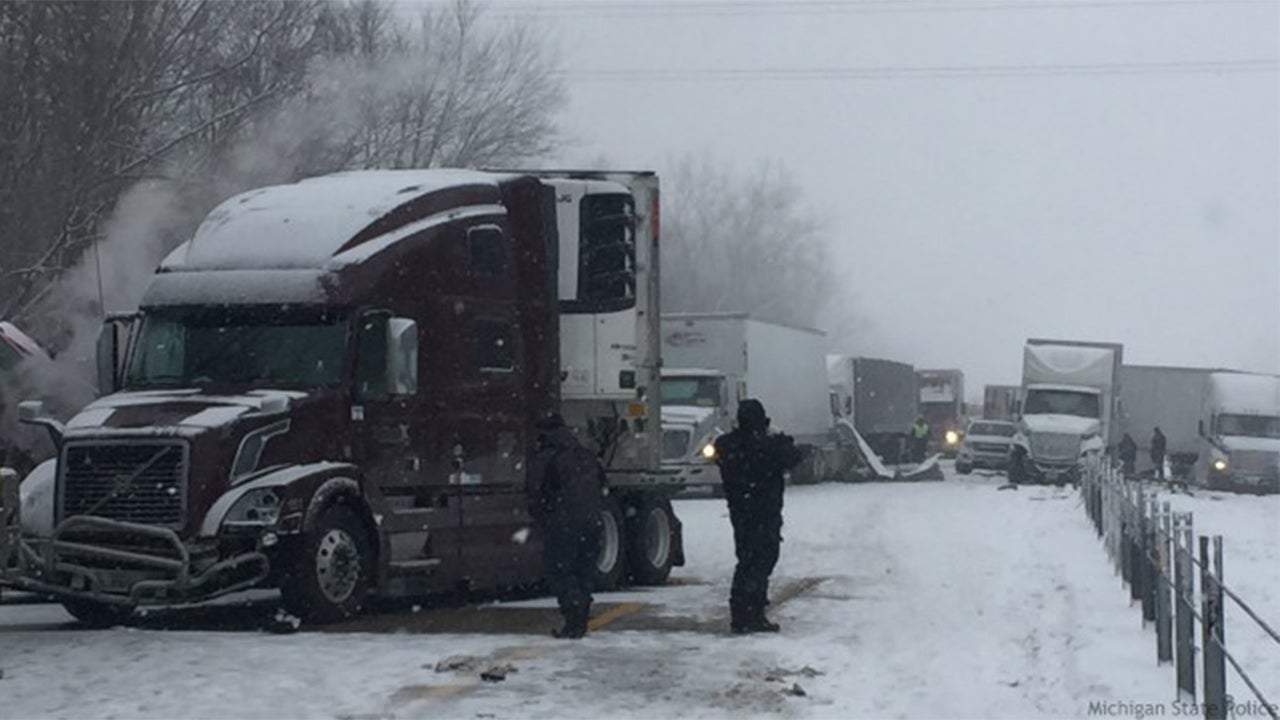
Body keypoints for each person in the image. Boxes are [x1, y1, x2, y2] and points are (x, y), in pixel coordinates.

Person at [713, 398, 802, 634]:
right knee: (762, 561)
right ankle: (753, 613)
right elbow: (793, 457)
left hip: (740, 511)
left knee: (746, 560)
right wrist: (780, 437)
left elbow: (722, 449)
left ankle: (741, 613)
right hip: (765, 512)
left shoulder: (728, 445)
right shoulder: (768, 446)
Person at [527, 413, 605, 639]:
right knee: (584, 570)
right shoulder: (585, 454)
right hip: (592, 521)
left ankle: (573, 619)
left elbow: (536, 494)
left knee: (560, 570)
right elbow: (602, 485)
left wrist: (544, 519)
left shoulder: (546, 457)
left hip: (563, 523)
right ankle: (581, 618)